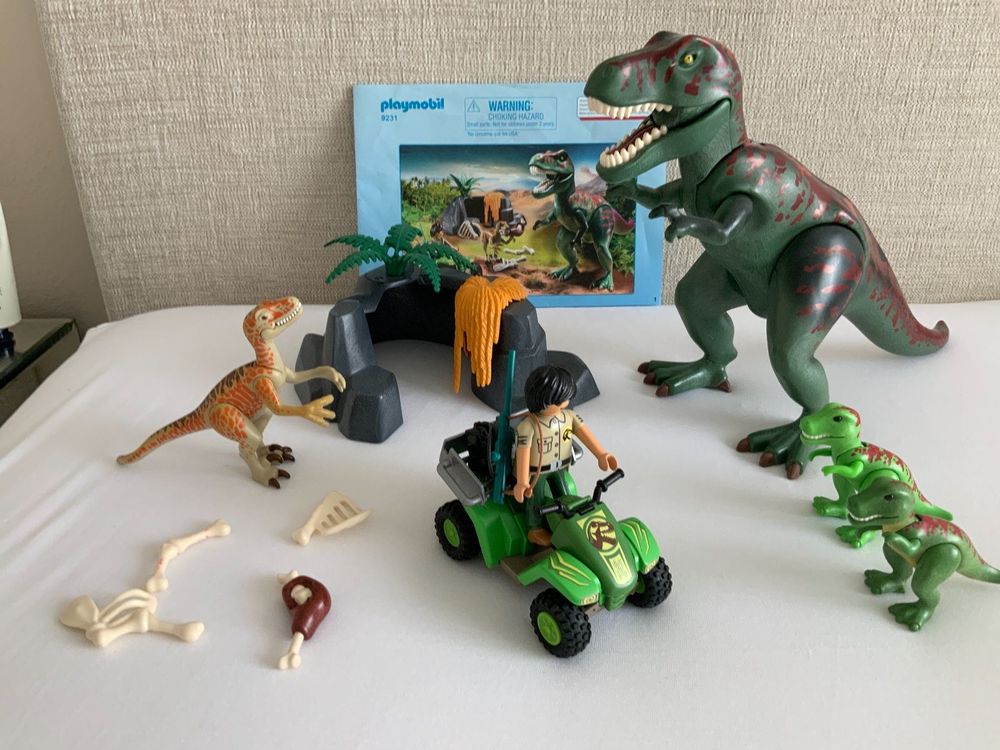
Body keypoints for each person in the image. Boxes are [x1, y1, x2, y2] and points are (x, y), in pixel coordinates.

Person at [512, 365, 618, 546]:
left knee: (565, 493)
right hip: (537, 472)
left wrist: (601, 454)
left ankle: (567, 523)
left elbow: (585, 434)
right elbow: (523, 453)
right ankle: (534, 528)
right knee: (536, 499)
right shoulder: (528, 426)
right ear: (543, 400)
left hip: (561, 467)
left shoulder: (569, 417)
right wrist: (522, 481)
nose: (565, 402)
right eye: (560, 400)